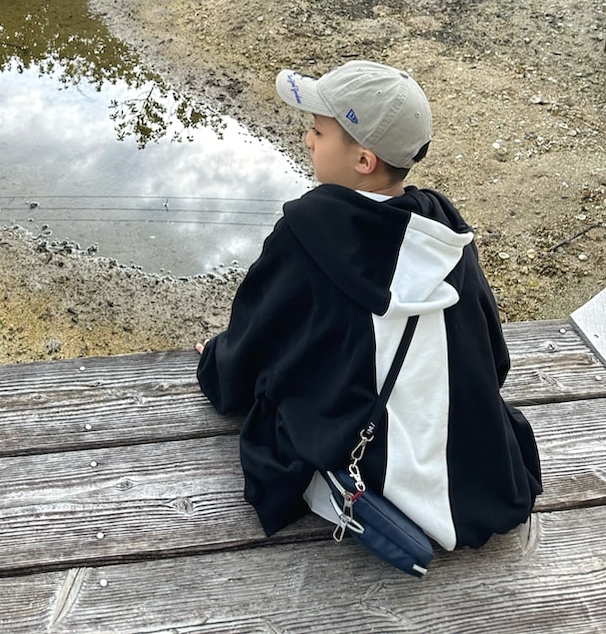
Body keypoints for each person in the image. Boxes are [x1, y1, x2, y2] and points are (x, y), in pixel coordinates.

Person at [196, 60, 542, 551]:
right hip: (480, 480)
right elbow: (495, 358)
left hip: (370, 466)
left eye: (318, 131)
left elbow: (257, 337)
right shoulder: (447, 233)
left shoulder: (309, 229)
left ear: (363, 161)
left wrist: (216, 360)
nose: (308, 140)